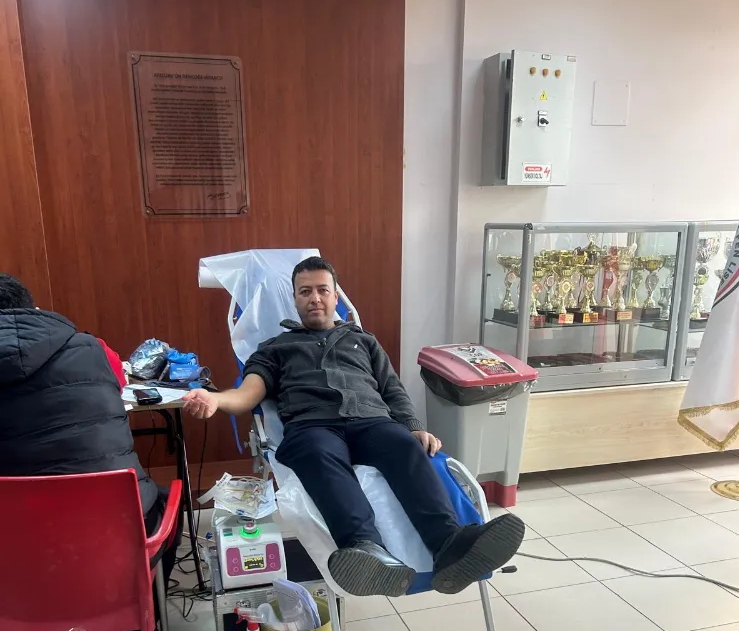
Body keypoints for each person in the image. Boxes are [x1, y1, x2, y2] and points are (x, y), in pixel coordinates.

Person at [184, 256, 524, 597]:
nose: (315, 298)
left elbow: (392, 389)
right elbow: (248, 393)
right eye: (305, 291)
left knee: (404, 445)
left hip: (371, 421)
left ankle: (450, 544)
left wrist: (412, 426)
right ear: (295, 299)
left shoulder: (363, 340)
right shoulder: (275, 348)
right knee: (319, 454)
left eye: (322, 290)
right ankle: (365, 550)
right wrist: (216, 400)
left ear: (336, 297)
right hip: (313, 426)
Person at [0, 273, 179, 631]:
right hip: (112, 533)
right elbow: (117, 387)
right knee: (166, 503)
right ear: (33, 310)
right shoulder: (92, 348)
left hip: (16, 548)